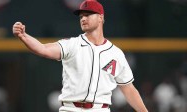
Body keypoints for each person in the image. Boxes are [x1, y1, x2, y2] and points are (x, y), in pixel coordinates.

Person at [12, 0, 148, 112]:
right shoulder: (72, 45)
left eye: (88, 14)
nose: (83, 18)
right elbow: (43, 49)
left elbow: (129, 89)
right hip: (71, 109)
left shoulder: (116, 53)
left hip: (100, 109)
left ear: (101, 17)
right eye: (81, 16)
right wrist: (24, 36)